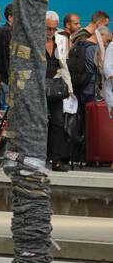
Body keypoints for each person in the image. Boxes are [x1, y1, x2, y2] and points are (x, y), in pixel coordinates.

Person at [45, 13, 75, 171]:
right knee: (39, 123)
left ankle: (56, 160)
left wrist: (69, 88)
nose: (50, 31)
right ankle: (38, 157)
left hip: (55, 85)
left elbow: (64, 65)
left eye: (53, 28)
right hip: (37, 86)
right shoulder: (34, 39)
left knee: (57, 122)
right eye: (47, 28)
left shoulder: (61, 40)